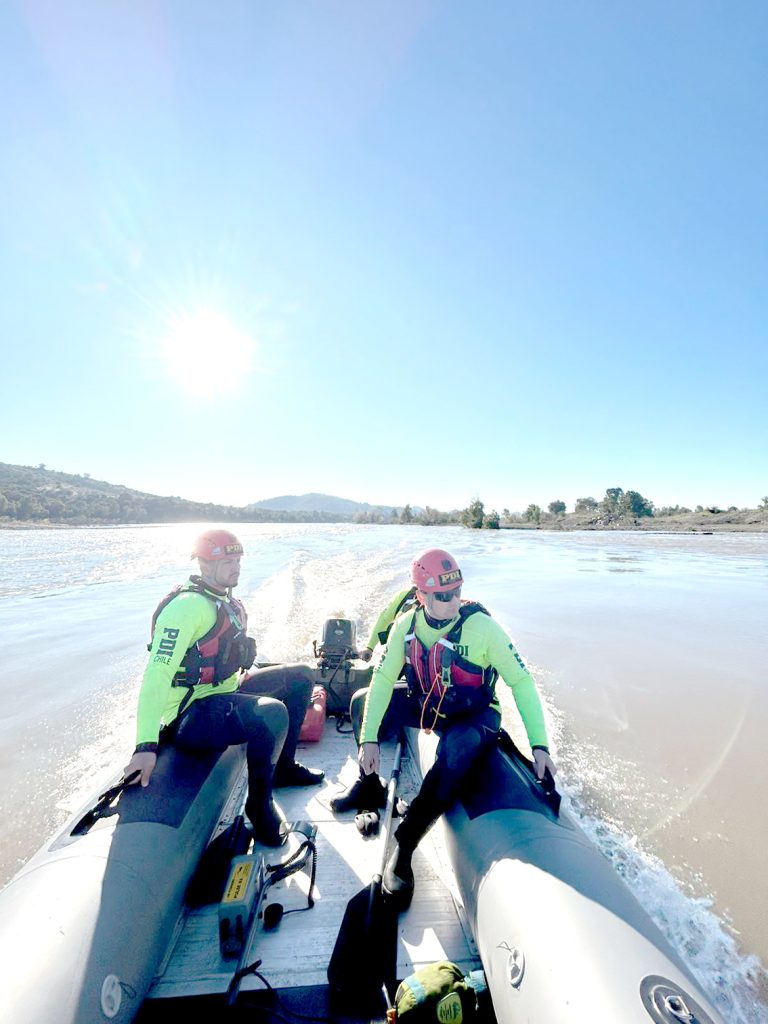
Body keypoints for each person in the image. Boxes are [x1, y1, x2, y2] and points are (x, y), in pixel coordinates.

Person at [332, 548, 556, 904]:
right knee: (361, 702)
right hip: (430, 704)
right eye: (442, 595)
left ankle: (404, 846)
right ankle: (368, 785)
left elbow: (522, 682)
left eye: (456, 592)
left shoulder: (482, 628)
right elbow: (384, 678)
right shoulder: (406, 626)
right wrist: (368, 740)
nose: (453, 601)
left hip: (474, 715)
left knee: (456, 750)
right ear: (420, 596)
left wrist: (539, 746)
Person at [124, 528, 323, 846]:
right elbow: (156, 674)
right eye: (227, 560)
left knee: (300, 676)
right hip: (190, 715)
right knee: (272, 715)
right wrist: (145, 747)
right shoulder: (186, 607)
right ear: (204, 565)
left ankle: (283, 769)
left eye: (238, 559)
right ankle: (258, 807)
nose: (236, 567)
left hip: (224, 693)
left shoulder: (225, 600)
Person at [357, 584, 419, 662]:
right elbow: (384, 620)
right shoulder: (405, 596)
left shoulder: (437, 607)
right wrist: (370, 647)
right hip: (395, 656)